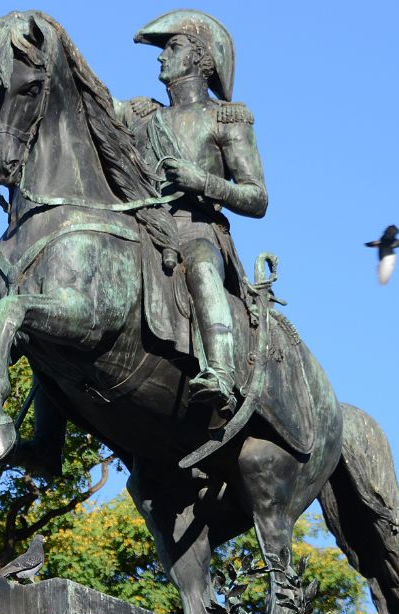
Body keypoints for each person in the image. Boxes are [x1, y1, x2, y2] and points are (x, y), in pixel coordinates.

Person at [120, 10, 268, 422]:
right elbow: (87, 101)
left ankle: (220, 372)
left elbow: (257, 198)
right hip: (146, 228)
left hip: (197, 229)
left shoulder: (225, 118)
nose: (161, 56)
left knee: (201, 267)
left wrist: (202, 180)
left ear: (201, 58)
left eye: (173, 46)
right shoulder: (141, 116)